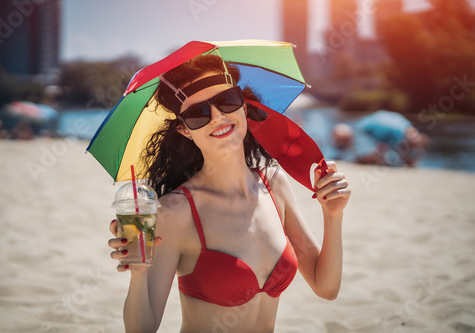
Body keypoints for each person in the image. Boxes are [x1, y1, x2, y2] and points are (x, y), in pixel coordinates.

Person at [108, 55, 351, 333]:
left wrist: (333, 215)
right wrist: (138, 273)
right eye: (198, 114)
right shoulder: (175, 212)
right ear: (184, 130)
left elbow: (326, 287)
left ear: (244, 106)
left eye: (227, 101)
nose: (218, 116)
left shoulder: (274, 184)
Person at [329, 111, 429, 167]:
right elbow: (400, 150)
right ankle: (360, 160)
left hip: (367, 123)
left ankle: (359, 158)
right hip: (366, 129)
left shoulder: (405, 124)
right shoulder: (399, 134)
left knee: (379, 152)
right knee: (376, 152)